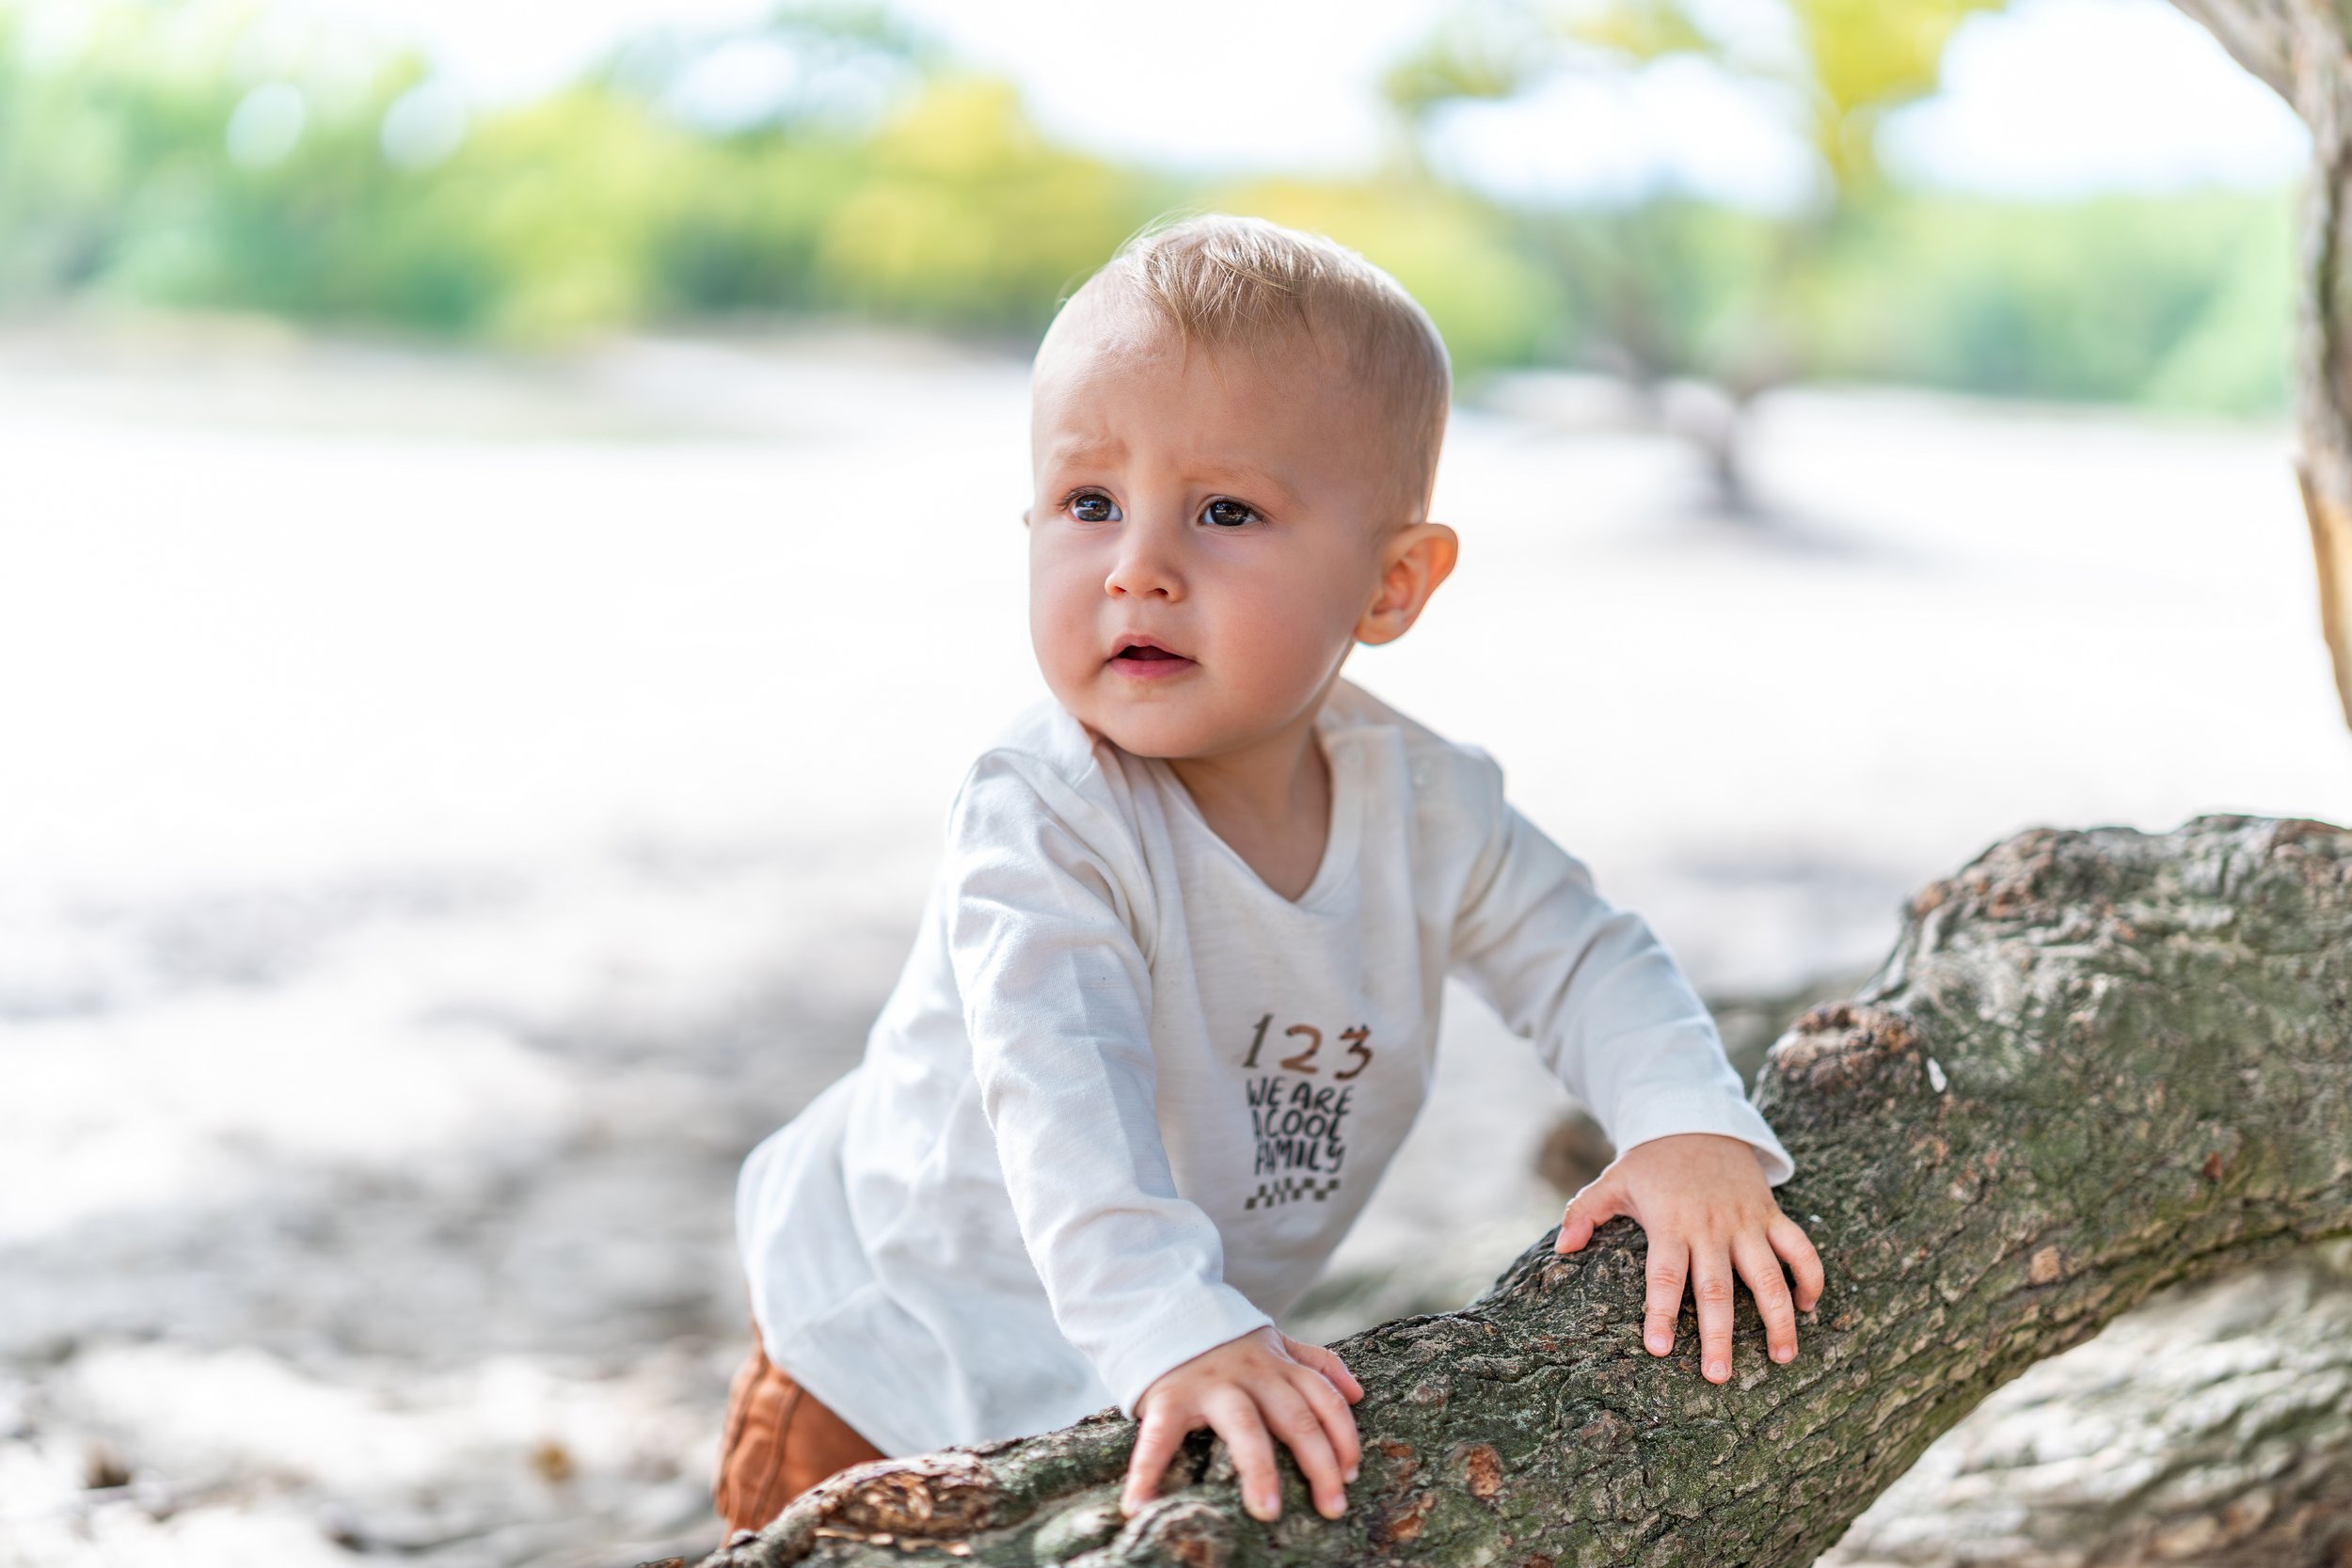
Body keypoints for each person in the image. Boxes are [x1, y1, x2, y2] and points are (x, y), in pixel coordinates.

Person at [717, 212, 1825, 1539]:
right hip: (884, 1357)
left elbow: (1588, 955)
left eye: (1226, 511)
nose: (1137, 565)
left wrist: (1682, 1124)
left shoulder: (1426, 804)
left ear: (1393, 584)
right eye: (1088, 503)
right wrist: (1177, 1325)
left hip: (1142, 1359)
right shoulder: (1048, 817)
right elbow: (1064, 1097)